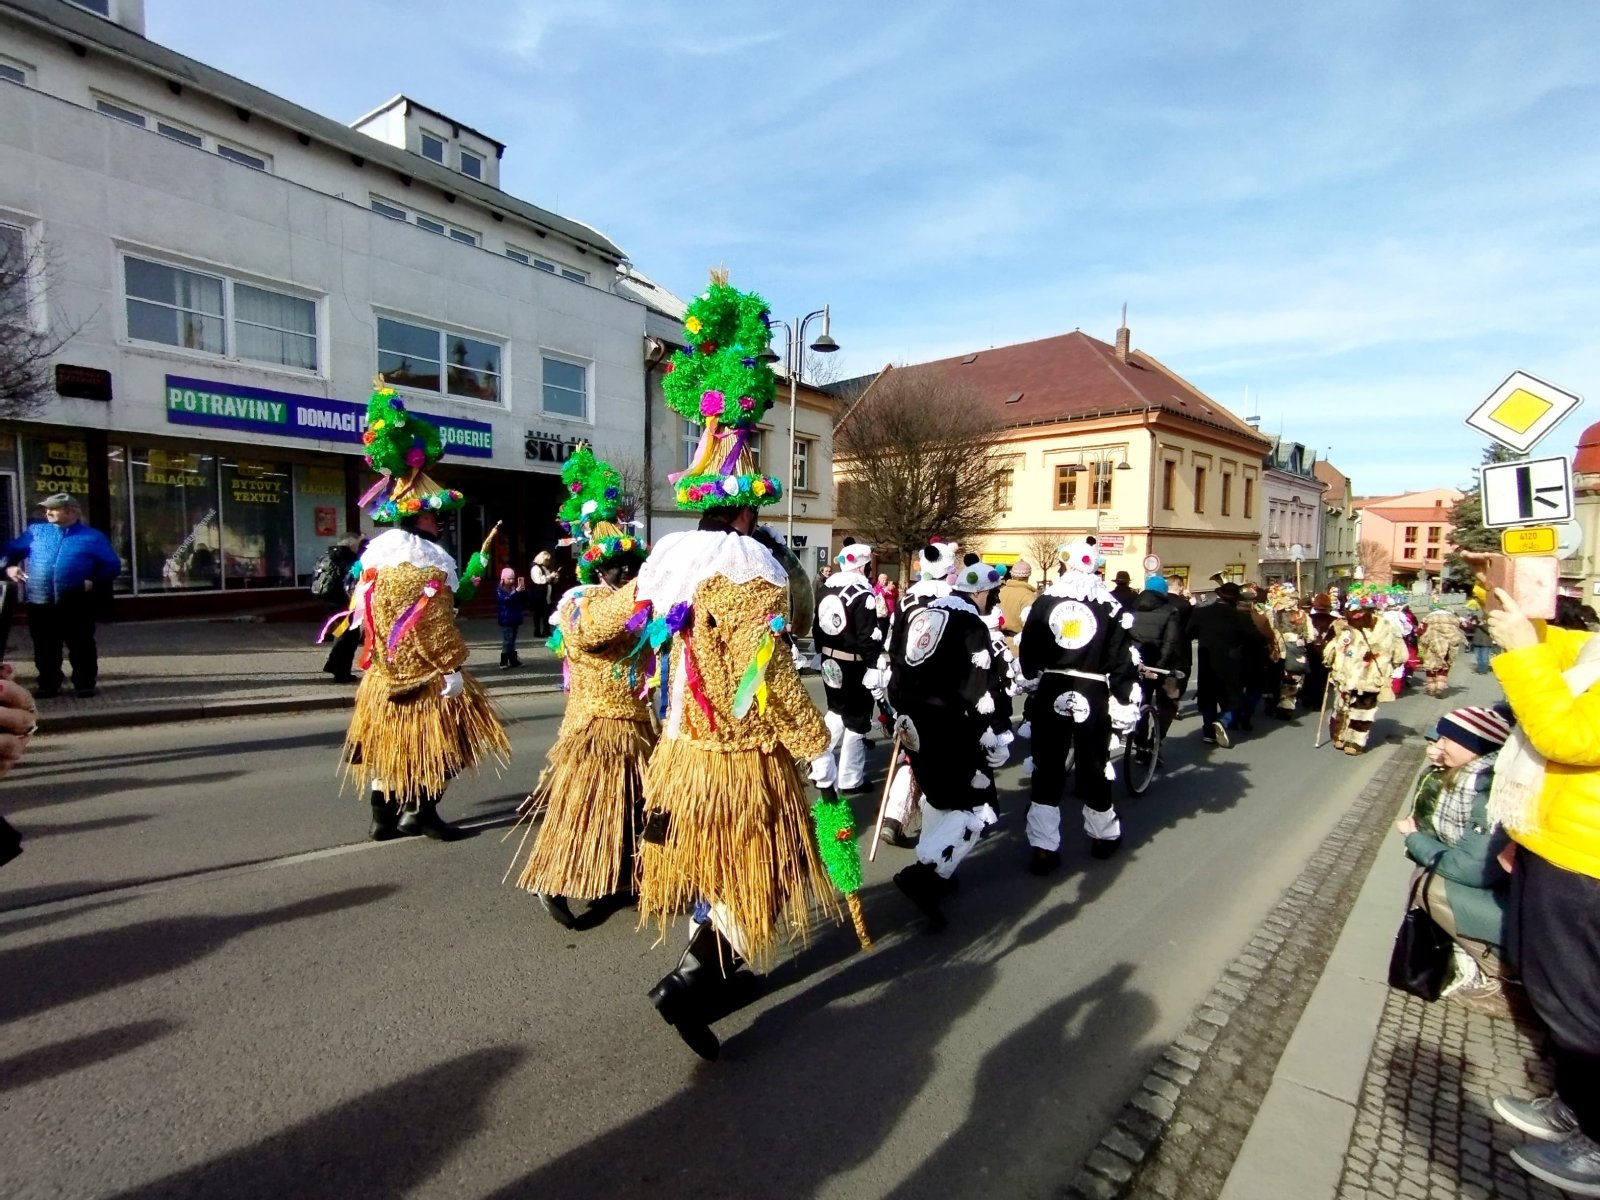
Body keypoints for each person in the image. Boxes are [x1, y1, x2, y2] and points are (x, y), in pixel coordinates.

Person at [633, 275, 852, 1061]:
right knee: (755, 865)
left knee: (704, 862)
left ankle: (709, 969)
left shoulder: (674, 561)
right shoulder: (748, 567)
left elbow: (647, 642)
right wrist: (816, 745)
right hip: (737, 755)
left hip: (681, 752)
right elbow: (766, 675)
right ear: (746, 506)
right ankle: (694, 982)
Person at [339, 384, 510, 841]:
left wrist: (473, 570)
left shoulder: (373, 559)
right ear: (418, 518)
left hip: (382, 674)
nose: (440, 522)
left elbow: (362, 616)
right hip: (424, 676)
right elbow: (438, 620)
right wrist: (452, 668)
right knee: (444, 743)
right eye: (435, 517)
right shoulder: (427, 562)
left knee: (388, 745)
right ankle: (423, 813)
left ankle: (382, 819)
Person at [1481, 586, 1600, 1194]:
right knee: (1553, 988)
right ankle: (1575, 1105)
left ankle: (1597, 1142)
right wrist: (1502, 584)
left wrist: (1524, 652)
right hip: (1561, 839)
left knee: (1579, 1006)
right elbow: (1569, 649)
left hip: (1587, 859)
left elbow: (1570, 737)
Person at [513, 447, 652, 928]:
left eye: (631, 564)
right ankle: (553, 879)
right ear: (597, 568)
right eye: (616, 566)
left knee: (632, 806)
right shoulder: (581, 602)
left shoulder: (631, 604)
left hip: (635, 725)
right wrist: (641, 589)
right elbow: (594, 632)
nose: (626, 572)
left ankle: (621, 877)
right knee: (587, 806)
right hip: (596, 727)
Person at [889, 556, 1006, 929]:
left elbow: (897, 665)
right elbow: (978, 687)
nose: (995, 600)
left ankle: (936, 864)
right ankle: (925, 876)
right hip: (948, 725)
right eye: (994, 594)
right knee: (975, 804)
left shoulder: (922, 614)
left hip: (913, 721)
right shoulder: (971, 624)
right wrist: (992, 730)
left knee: (939, 796)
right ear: (982, 592)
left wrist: (899, 710)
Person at [1019, 536, 1141, 869]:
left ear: (1064, 564)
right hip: (1093, 690)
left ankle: (1043, 847)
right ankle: (1103, 835)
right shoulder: (1109, 607)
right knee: (1093, 763)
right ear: (1095, 567)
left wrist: (1032, 676)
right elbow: (1122, 660)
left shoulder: (1045, 602)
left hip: (1052, 686)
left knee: (1047, 764)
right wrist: (1123, 698)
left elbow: (1029, 649)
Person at [1395, 704, 1513, 1012]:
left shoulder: (1488, 788)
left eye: (1447, 739)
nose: (1439, 745)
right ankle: (1458, 953)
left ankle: (1498, 973)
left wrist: (1414, 838)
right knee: (1427, 876)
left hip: (1507, 898)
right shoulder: (1467, 775)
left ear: (1473, 746)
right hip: (1497, 885)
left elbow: (1472, 868)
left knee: (1429, 885)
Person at [878, 539, 963, 847]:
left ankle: (894, 818)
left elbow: (894, 646)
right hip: (941, 694)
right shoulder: (955, 601)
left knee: (910, 753)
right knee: (938, 760)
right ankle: (933, 833)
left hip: (906, 689)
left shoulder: (907, 600)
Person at [2, 494, 121, 699]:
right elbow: (9, 551)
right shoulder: (37, 532)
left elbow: (112, 565)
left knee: (81, 643)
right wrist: (9, 567)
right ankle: (48, 683)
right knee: (44, 645)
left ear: (72, 511)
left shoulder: (92, 537)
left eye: (53, 509)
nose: (47, 512)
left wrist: (93, 580)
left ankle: (84, 683)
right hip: (40, 599)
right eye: (46, 509)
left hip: (76, 600)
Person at [814, 541, 887, 794]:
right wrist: (874, 665)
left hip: (829, 660)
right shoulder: (862, 594)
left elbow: (816, 625)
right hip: (853, 664)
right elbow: (867, 636)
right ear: (861, 567)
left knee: (836, 710)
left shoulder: (827, 589)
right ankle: (850, 778)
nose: (870, 571)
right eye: (868, 566)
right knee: (857, 719)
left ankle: (817, 760)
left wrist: (820, 651)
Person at [1322, 588, 1407, 756]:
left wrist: (1386, 667)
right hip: (1344, 675)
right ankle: (1340, 736)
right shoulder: (1342, 626)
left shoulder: (1386, 628)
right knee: (1342, 706)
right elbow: (1331, 647)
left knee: (1361, 709)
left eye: (1359, 611)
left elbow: (1400, 653)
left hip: (1370, 676)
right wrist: (1329, 659)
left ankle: (1354, 741)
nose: (1356, 615)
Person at [1189, 580, 1258, 748]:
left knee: (1208, 696)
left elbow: (1189, 632)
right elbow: (1255, 638)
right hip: (1231, 663)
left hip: (1207, 660)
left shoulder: (1201, 612)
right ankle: (1223, 721)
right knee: (1233, 697)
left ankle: (1208, 732)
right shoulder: (1240, 616)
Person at [1131, 574, 1184, 737]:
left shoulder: (1132, 607)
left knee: (1141, 701)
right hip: (1161, 665)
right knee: (1170, 702)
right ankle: (1157, 738)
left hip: (1138, 663)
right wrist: (1161, 665)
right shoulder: (1170, 611)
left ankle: (1139, 740)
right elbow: (1170, 642)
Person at [319, 536, 367, 684]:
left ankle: (333, 665)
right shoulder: (350, 559)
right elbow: (352, 582)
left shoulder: (328, 556)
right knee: (349, 638)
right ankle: (342, 673)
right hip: (346, 604)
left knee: (341, 634)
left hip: (330, 602)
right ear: (351, 546)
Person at [1417, 602, 1467, 697]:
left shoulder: (1427, 618)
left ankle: (1431, 687)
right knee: (1444, 664)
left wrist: (1421, 650)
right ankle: (1440, 686)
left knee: (1430, 664)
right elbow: (1466, 626)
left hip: (1430, 646)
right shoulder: (1452, 618)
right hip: (1447, 646)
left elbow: (1420, 632)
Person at [997, 558, 1035, 646]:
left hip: (999, 641)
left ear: (1012, 575)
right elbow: (1030, 625)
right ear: (1028, 576)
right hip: (1017, 643)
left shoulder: (1001, 592)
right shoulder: (1028, 596)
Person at [496, 568, 526, 669]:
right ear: (503, 579)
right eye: (509, 579)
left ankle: (513, 660)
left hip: (515, 617)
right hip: (506, 618)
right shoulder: (500, 590)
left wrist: (522, 592)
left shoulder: (514, 588)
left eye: (512, 578)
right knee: (507, 640)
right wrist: (516, 592)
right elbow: (506, 600)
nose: (511, 581)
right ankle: (503, 661)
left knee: (513, 640)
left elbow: (523, 600)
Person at [527, 551, 556, 639]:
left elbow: (549, 580)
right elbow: (538, 580)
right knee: (538, 613)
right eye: (546, 560)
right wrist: (550, 576)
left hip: (546, 594)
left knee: (546, 613)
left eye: (549, 560)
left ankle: (546, 630)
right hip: (538, 594)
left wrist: (554, 577)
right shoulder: (535, 567)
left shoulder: (545, 568)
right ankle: (537, 631)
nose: (548, 562)